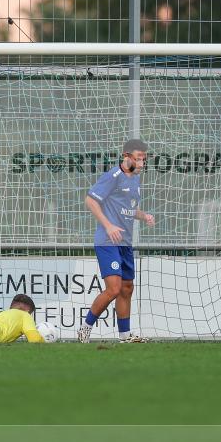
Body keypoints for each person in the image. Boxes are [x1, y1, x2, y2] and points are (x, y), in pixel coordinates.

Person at [78, 138, 155, 343]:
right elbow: (90, 201)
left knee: (127, 288)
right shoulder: (113, 176)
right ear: (126, 156)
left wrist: (143, 215)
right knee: (113, 289)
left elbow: (128, 208)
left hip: (124, 243)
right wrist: (108, 225)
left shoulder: (135, 179)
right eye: (138, 159)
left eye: (143, 160)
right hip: (107, 241)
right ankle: (85, 328)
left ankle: (125, 336)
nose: (141, 164)